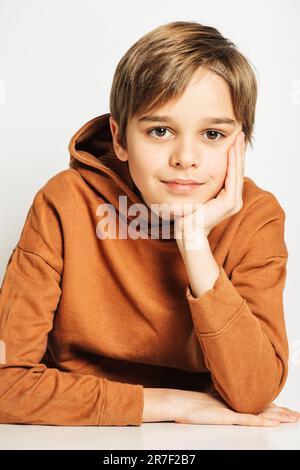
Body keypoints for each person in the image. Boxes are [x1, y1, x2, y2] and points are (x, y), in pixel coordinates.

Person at [0, 20, 299, 427]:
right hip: (82, 435)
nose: (185, 157)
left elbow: (253, 392)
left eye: (213, 134)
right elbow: (6, 385)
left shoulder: (257, 217)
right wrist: (173, 406)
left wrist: (193, 240)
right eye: (160, 130)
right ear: (120, 139)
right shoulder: (64, 202)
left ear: (240, 144)